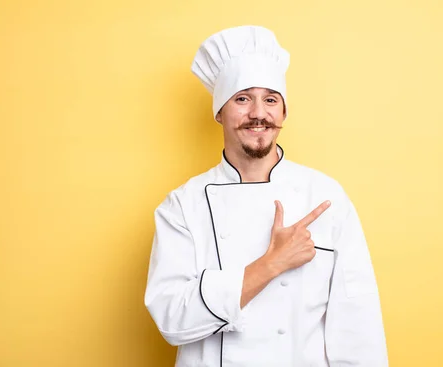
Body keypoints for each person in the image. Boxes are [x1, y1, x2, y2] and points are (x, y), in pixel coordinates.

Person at [144, 25, 389, 367]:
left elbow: (358, 325)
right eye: (242, 98)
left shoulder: (325, 196)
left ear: (284, 112)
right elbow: (172, 317)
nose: (258, 113)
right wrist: (272, 263)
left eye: (271, 99)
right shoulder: (183, 205)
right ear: (219, 111)